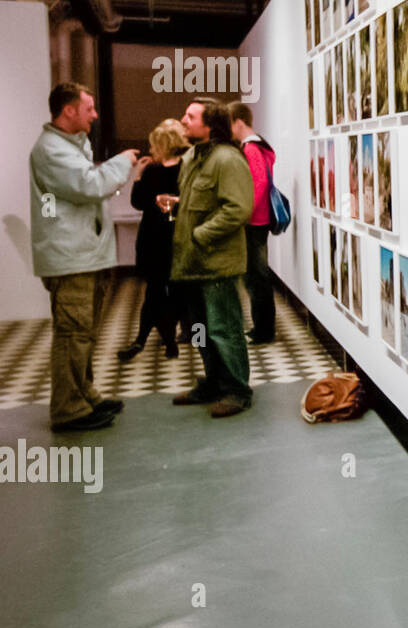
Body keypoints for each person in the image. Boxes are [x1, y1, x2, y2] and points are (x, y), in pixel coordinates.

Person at [29, 81, 147, 431]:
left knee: (83, 333)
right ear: (69, 110)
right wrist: (122, 162)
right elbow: (91, 186)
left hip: (81, 255)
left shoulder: (68, 146)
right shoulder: (52, 151)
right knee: (73, 335)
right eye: (89, 108)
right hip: (72, 258)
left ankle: (85, 395)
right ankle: (69, 408)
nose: (95, 115)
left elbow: (91, 187)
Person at [164, 98, 254, 418]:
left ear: (210, 125)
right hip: (193, 264)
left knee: (224, 328)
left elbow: (238, 209)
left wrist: (201, 234)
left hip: (216, 262)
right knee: (201, 328)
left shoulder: (227, 159)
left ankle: (237, 390)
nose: (183, 120)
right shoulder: (192, 157)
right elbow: (202, 202)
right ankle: (214, 383)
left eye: (191, 116)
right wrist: (176, 205)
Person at [118, 119, 188, 362]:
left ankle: (149, 340)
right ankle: (168, 341)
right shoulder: (186, 169)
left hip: (152, 237)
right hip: (176, 236)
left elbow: (137, 202)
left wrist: (137, 177)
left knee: (155, 293)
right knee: (174, 293)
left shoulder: (151, 170)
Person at [228, 101, 276, 344]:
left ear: (239, 122)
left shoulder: (250, 149)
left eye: (230, 124)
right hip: (259, 219)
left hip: (254, 221)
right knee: (257, 276)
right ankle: (262, 327)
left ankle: (264, 330)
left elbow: (258, 185)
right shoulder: (258, 146)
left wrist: (243, 214)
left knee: (256, 277)